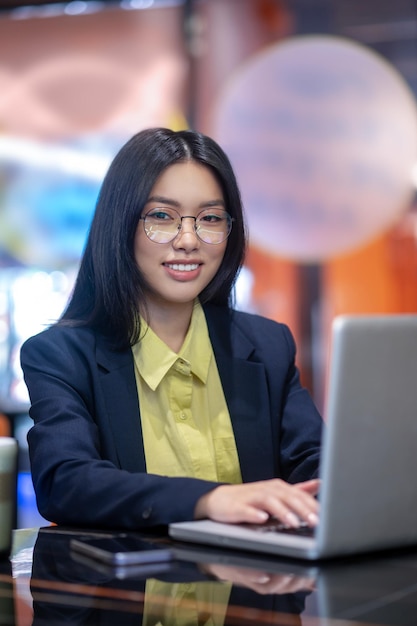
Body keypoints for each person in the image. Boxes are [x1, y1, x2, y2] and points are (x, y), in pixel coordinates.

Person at [20, 127, 323, 531]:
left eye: (210, 219)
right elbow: (66, 484)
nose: (187, 240)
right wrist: (209, 500)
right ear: (121, 224)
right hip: (126, 591)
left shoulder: (267, 346)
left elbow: (317, 467)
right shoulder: (61, 355)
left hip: (260, 587)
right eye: (161, 216)